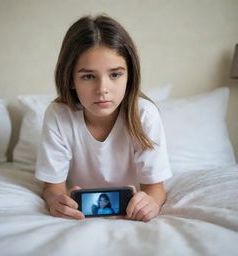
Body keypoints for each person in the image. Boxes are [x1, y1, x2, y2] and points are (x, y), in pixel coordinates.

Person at [35, 14, 172, 222]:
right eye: (88, 76)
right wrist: (56, 201)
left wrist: (151, 203)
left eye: (115, 75)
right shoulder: (58, 115)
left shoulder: (145, 114)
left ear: (130, 76)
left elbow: (156, 189)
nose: (102, 90)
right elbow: (52, 188)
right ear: (70, 79)